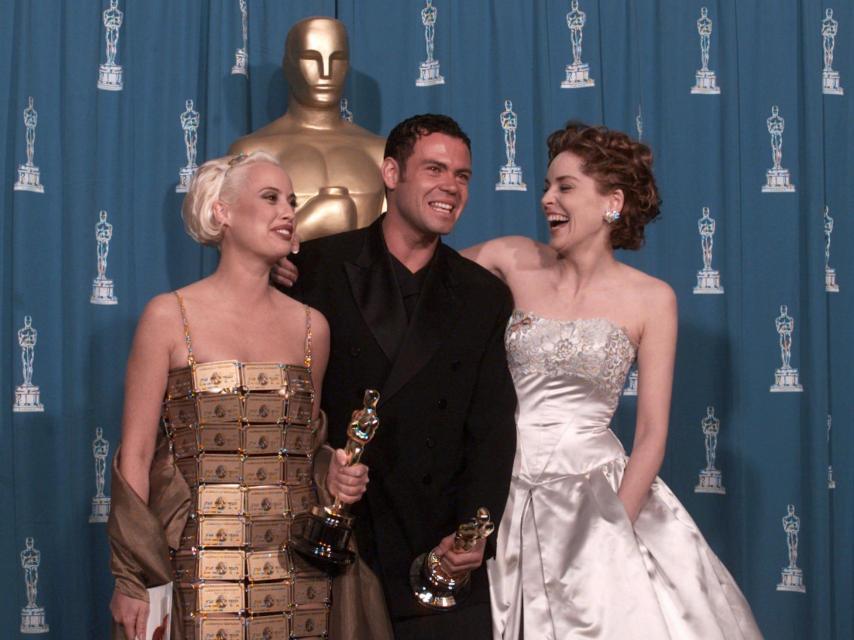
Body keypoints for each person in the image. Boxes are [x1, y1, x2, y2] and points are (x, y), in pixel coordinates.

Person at [463, 122, 762, 639]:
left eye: (565, 187)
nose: (546, 200)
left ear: (612, 202)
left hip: (596, 496)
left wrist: (612, 529)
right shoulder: (511, 259)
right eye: (546, 187)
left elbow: (650, 435)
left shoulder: (652, 299)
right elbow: (413, 270)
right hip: (503, 490)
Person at [276, 114, 517, 639]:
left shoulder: (483, 295)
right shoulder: (315, 267)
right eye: (434, 169)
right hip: (341, 544)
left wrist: (475, 531)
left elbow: (492, 427)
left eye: (462, 175)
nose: (450, 187)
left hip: (436, 553)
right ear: (390, 172)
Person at [107, 152, 351, 640]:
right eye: (270, 198)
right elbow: (134, 454)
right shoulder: (167, 317)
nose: (287, 211)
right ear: (222, 212)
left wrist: (336, 473)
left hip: (296, 576)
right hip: (193, 568)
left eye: (292, 201)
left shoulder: (312, 328)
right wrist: (131, 577)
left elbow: (304, 455)